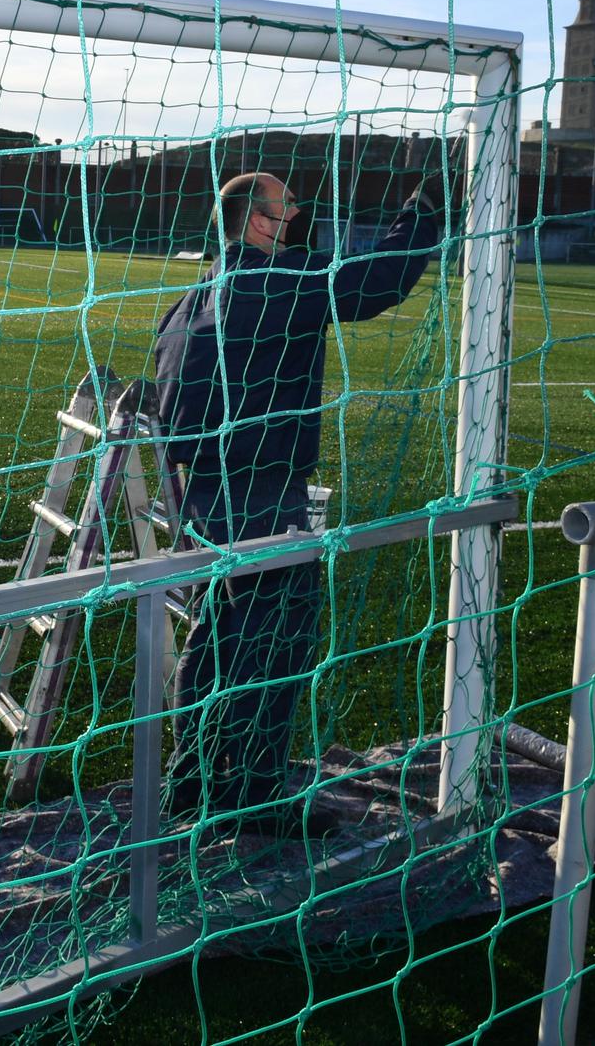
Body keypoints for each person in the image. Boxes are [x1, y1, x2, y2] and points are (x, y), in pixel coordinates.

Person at [152, 164, 451, 824]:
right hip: (260, 495)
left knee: (216, 636)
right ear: (258, 220)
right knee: (274, 636)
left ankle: (193, 777)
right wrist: (423, 209)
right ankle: (258, 791)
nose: (297, 219)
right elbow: (377, 281)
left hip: (198, 497)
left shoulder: (188, 300)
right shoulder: (279, 279)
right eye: (286, 210)